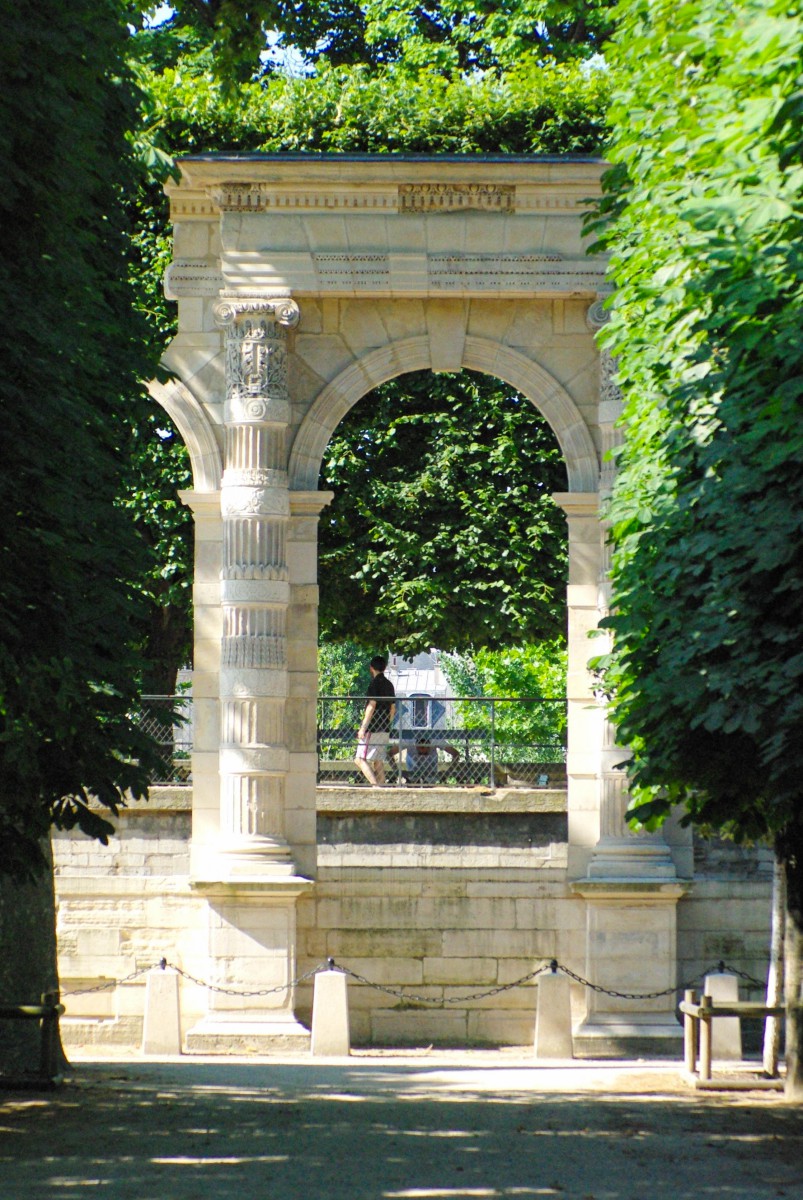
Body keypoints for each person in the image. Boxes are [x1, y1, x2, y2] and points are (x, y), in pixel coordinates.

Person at [354, 655, 396, 786]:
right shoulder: (389, 685)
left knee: (360, 759)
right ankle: (382, 787)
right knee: (378, 760)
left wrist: (363, 728)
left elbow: (371, 705)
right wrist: (388, 723)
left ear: (371, 668)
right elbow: (393, 708)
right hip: (384, 727)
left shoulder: (374, 684)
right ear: (385, 668)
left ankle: (375, 786)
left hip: (373, 728)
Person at [389, 732, 461, 786]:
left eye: (425, 752)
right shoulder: (408, 741)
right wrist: (397, 772)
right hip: (412, 770)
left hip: (431, 770)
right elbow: (390, 753)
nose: (422, 755)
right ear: (416, 746)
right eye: (420, 752)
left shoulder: (436, 740)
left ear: (430, 746)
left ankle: (429, 782)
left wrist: (447, 774)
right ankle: (413, 781)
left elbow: (456, 754)